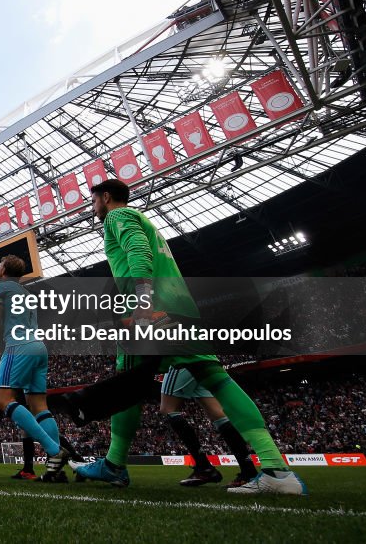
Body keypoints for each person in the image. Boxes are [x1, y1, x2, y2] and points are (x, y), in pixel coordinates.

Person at [65, 179, 307, 495]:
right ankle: (276, 469)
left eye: (93, 200)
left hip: (151, 313)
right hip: (180, 307)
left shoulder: (117, 217)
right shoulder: (142, 218)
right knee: (214, 378)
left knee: (126, 385)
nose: (91, 206)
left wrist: (142, 296)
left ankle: (113, 466)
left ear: (106, 197)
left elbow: (136, 250)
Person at [0, 256, 75, 482]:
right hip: (39, 347)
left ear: (4, 269)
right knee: (39, 406)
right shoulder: (27, 293)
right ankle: (54, 468)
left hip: (18, 346)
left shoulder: (0, 287)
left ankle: (55, 451)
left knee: (3, 399)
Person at [159, 366, 258, 488]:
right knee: (218, 414)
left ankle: (204, 468)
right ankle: (248, 471)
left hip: (184, 360)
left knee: (168, 409)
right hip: (204, 361)